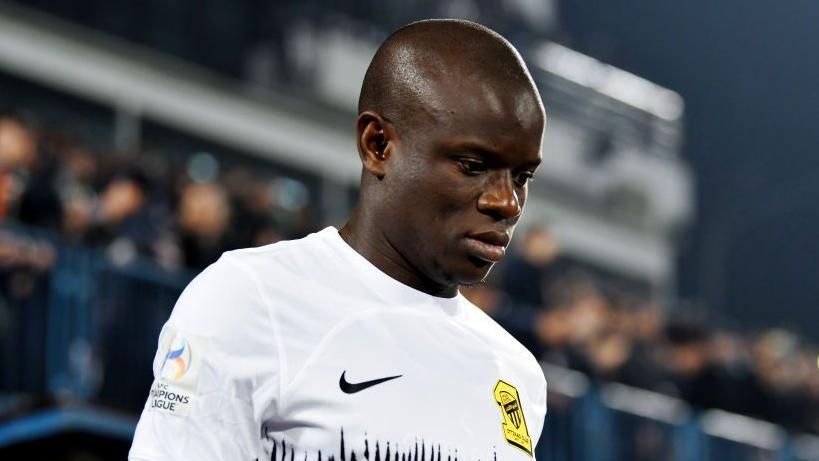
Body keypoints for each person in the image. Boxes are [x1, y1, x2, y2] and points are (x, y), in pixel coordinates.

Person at [129, 19, 548, 461]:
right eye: (472, 166)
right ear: (377, 144)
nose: (507, 202)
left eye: (522, 177)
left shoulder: (516, 374)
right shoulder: (250, 299)